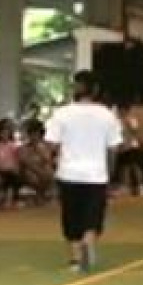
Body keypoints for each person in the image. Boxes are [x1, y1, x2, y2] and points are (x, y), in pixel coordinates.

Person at [44, 70, 124, 272]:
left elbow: (51, 144)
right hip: (96, 174)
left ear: (74, 88)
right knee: (93, 216)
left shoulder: (61, 113)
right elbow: (114, 148)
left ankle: (75, 258)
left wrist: (54, 161)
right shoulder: (107, 115)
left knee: (71, 216)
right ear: (96, 90)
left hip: (68, 172)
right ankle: (88, 240)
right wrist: (111, 173)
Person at [18, 118, 56, 205]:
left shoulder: (48, 145)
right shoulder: (23, 148)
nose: (34, 136)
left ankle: (47, 194)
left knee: (48, 170)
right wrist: (40, 172)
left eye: (36, 133)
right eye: (32, 133)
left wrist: (40, 150)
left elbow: (49, 160)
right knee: (33, 175)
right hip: (32, 172)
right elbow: (27, 162)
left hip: (45, 171)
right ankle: (39, 195)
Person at [114, 105, 143, 196]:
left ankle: (141, 186)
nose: (119, 112)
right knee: (124, 168)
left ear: (125, 110)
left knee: (135, 166)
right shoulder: (119, 121)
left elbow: (135, 132)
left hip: (132, 147)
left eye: (121, 110)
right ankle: (125, 187)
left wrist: (127, 124)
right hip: (123, 148)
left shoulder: (131, 120)